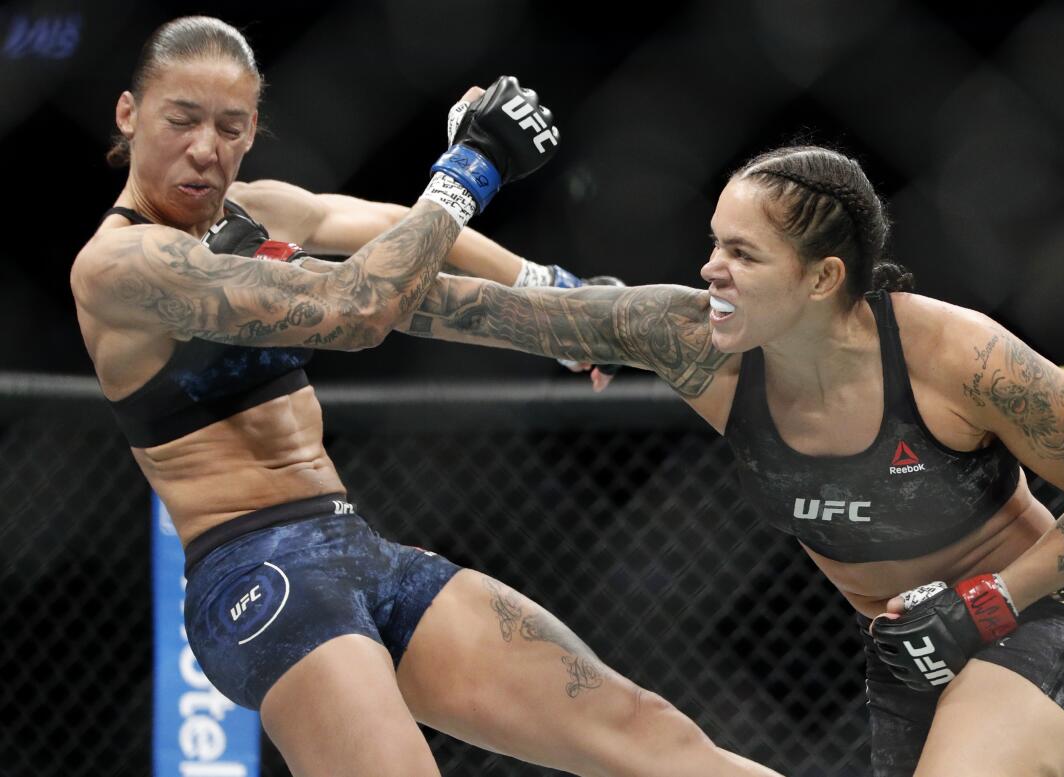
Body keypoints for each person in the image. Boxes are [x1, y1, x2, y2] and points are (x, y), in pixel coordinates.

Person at [70, 16, 785, 777]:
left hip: (356, 547)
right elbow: (356, 308)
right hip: (257, 577)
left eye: (232, 126)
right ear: (128, 113)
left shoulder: (258, 213)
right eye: (182, 120)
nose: (206, 149)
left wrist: (551, 292)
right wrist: (469, 165)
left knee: (646, 730)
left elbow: (392, 230)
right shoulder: (118, 266)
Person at [401, 143, 1064, 776]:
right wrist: (288, 277)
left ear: (822, 277)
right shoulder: (693, 343)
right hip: (902, 654)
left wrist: (981, 605)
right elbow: (474, 309)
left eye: (742, 253)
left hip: (1027, 620)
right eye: (713, 243)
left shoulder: (955, 354)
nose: (710, 269)